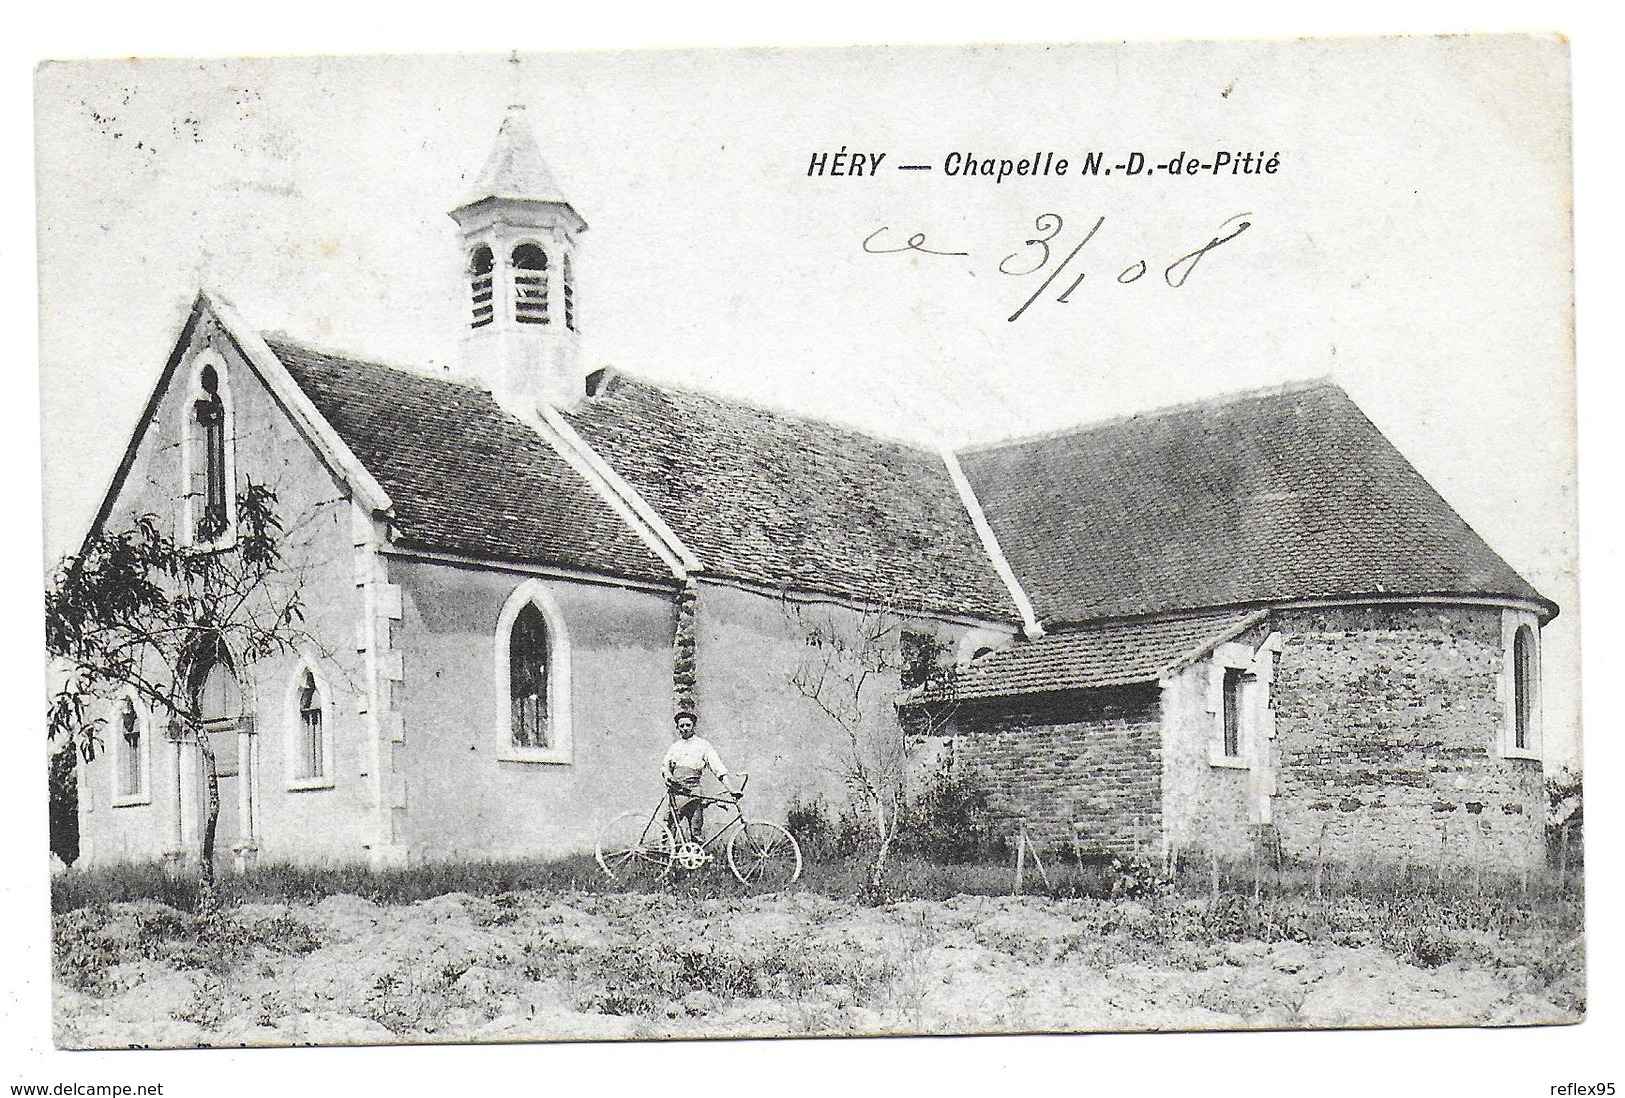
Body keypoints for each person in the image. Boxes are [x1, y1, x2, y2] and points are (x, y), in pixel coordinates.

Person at [662, 710, 734, 843]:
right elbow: (665, 767)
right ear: (677, 728)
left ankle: (695, 860)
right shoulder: (674, 748)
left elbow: (718, 768)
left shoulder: (703, 745)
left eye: (687, 725)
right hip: (677, 794)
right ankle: (666, 861)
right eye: (681, 726)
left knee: (696, 829)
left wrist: (731, 789)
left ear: (693, 726)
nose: (684, 729)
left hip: (695, 793)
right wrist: (667, 775)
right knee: (669, 829)